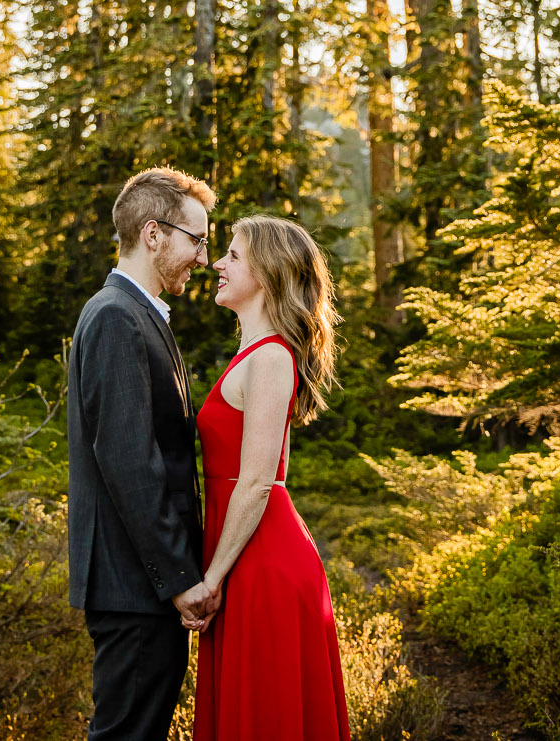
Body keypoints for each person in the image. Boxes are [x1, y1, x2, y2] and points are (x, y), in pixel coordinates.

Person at [66, 166, 222, 741]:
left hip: (141, 584)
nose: (202, 259)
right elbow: (129, 462)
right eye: (196, 241)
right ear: (153, 234)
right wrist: (179, 577)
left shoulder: (138, 314)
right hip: (133, 585)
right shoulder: (115, 317)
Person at [192, 215, 350, 741]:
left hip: (263, 567)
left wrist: (211, 580)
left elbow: (259, 481)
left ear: (266, 272)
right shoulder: (255, 354)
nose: (218, 262)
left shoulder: (273, 357)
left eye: (232, 256)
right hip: (245, 556)